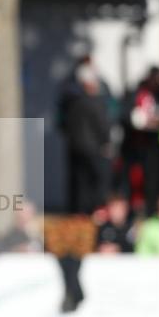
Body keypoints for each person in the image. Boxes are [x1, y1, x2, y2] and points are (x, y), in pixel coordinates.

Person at [60, 60, 113, 214]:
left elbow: (64, 124)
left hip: (75, 147)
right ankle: (94, 212)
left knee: (78, 184)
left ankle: (78, 214)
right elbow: (102, 126)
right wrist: (106, 142)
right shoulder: (95, 102)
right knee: (96, 183)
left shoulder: (71, 102)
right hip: (93, 148)